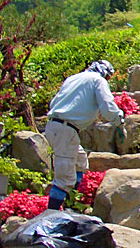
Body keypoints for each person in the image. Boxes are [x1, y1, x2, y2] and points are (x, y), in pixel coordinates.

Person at [44, 60, 124, 210]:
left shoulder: (73, 78)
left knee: (80, 162)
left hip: (55, 126)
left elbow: (55, 102)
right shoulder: (97, 80)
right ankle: (51, 214)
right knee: (64, 179)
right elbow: (108, 108)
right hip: (66, 130)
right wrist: (119, 119)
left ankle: (72, 204)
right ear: (104, 72)